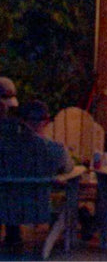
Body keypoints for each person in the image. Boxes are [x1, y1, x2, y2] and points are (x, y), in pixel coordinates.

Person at [0, 101, 72, 250]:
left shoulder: (4, 149)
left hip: (6, 208)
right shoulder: (54, 149)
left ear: (21, 120)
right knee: (67, 197)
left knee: (12, 193)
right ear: (46, 121)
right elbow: (68, 168)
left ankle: (13, 237)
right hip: (41, 208)